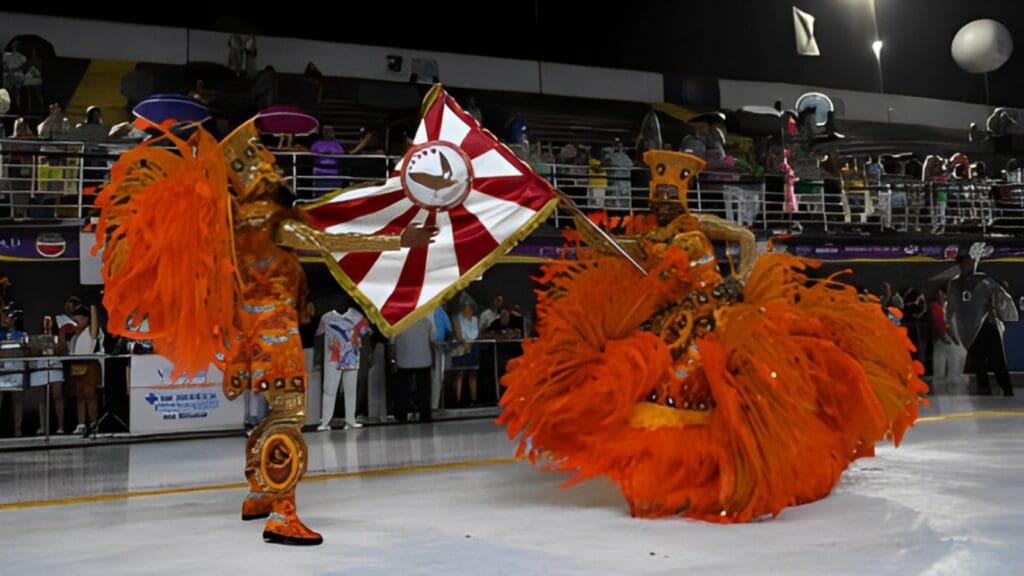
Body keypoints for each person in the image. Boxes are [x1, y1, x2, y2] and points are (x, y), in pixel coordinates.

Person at [499, 149, 926, 523]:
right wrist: (556, 203)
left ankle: (737, 469)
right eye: (658, 196)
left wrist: (737, 280)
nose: (664, 203)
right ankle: (672, 476)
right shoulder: (649, 237)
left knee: (733, 377)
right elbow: (610, 244)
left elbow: (743, 236)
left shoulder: (696, 223)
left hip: (715, 310)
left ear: (681, 197)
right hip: (674, 317)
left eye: (670, 196)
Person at [93, 120, 436, 545]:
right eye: (274, 168)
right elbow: (331, 242)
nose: (281, 173)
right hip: (277, 334)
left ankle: (257, 492)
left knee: (267, 415)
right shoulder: (276, 222)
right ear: (261, 181)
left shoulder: (235, 226)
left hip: (249, 334)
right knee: (289, 418)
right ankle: (283, 511)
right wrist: (400, 239)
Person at [946, 249, 1018, 396]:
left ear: (973, 263)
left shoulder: (985, 281)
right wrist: (950, 326)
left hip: (988, 325)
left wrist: (999, 313)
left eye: (968, 263)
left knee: (997, 359)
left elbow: (999, 300)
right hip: (968, 329)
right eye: (962, 264)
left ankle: (1006, 389)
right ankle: (984, 390)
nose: (965, 266)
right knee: (978, 360)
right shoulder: (955, 285)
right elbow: (951, 307)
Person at [316, 307, 370, 430]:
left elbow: (365, 333)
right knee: (329, 389)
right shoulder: (326, 318)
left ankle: (350, 420)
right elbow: (318, 336)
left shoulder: (358, 316)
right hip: (333, 358)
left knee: (350, 390)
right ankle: (325, 421)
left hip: (351, 356)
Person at [67, 304, 104, 435]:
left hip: (89, 365)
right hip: (76, 365)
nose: (76, 323)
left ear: (85, 318)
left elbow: (94, 322)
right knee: (80, 396)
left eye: (77, 320)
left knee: (90, 396)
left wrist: (93, 308)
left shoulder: (91, 330)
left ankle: (94, 423)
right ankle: (81, 424)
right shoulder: (75, 336)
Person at [389, 316, 434, 422]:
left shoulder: (397, 321)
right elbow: (431, 340)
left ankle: (401, 415)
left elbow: (392, 344)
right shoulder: (426, 320)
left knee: (402, 391)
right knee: (424, 391)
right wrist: (433, 359)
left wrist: (392, 361)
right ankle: (425, 415)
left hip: (403, 360)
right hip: (424, 359)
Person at [450, 302, 479, 406]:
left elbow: (475, 333)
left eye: (468, 307)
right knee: (459, 373)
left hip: (473, 346)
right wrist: (466, 341)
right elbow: (460, 333)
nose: (467, 309)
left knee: (473, 373)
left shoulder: (475, 319)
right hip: (461, 346)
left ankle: (473, 399)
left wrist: (469, 340)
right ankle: (458, 400)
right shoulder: (458, 318)